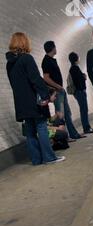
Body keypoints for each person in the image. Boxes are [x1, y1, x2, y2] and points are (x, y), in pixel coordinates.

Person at [6, 32, 65, 165]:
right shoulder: (27, 58)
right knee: (42, 127)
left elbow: (13, 84)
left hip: (21, 102)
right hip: (33, 100)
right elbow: (35, 80)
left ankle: (36, 159)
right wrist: (46, 96)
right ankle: (49, 157)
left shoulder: (9, 64)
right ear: (24, 42)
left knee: (30, 131)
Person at [42, 41, 85, 141]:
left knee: (67, 113)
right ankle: (64, 137)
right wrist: (58, 87)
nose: (56, 49)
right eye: (55, 47)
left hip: (60, 90)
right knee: (61, 115)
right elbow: (46, 78)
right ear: (52, 48)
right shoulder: (46, 61)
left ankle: (73, 134)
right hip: (57, 91)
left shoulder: (51, 60)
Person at [68, 52, 93, 134]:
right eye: (78, 57)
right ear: (76, 59)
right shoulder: (74, 68)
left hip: (79, 92)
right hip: (79, 91)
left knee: (84, 109)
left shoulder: (73, 68)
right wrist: (83, 77)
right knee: (84, 109)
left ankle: (87, 127)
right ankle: (86, 128)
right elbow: (78, 81)